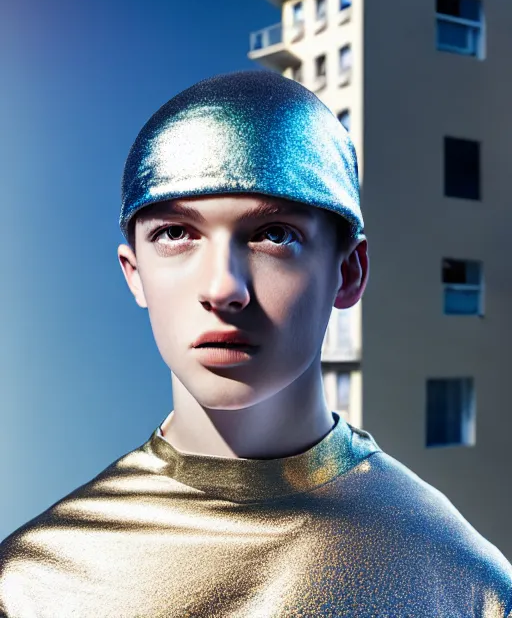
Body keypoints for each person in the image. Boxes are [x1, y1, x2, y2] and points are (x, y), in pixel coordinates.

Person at [0, 70, 511, 617]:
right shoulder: (30, 585)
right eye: (176, 234)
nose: (223, 288)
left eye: (274, 235)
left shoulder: (462, 585)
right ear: (133, 272)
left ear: (350, 271)